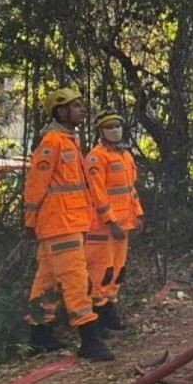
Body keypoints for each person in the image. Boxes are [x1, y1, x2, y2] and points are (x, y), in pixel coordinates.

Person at [23, 88, 122, 361]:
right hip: (59, 224)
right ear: (60, 111)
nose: (81, 110)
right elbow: (35, 185)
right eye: (76, 106)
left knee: (47, 281)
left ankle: (39, 336)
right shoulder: (52, 142)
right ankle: (89, 340)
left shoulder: (70, 141)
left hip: (70, 222)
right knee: (76, 280)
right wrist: (30, 222)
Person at [84, 108, 144, 332]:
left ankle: (110, 310)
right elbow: (97, 194)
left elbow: (130, 191)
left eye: (117, 125)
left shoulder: (125, 155)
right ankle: (97, 316)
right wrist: (111, 221)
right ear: (100, 131)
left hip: (124, 224)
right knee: (101, 270)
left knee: (118, 269)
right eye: (109, 127)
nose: (115, 130)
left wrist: (138, 213)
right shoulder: (95, 157)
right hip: (102, 227)